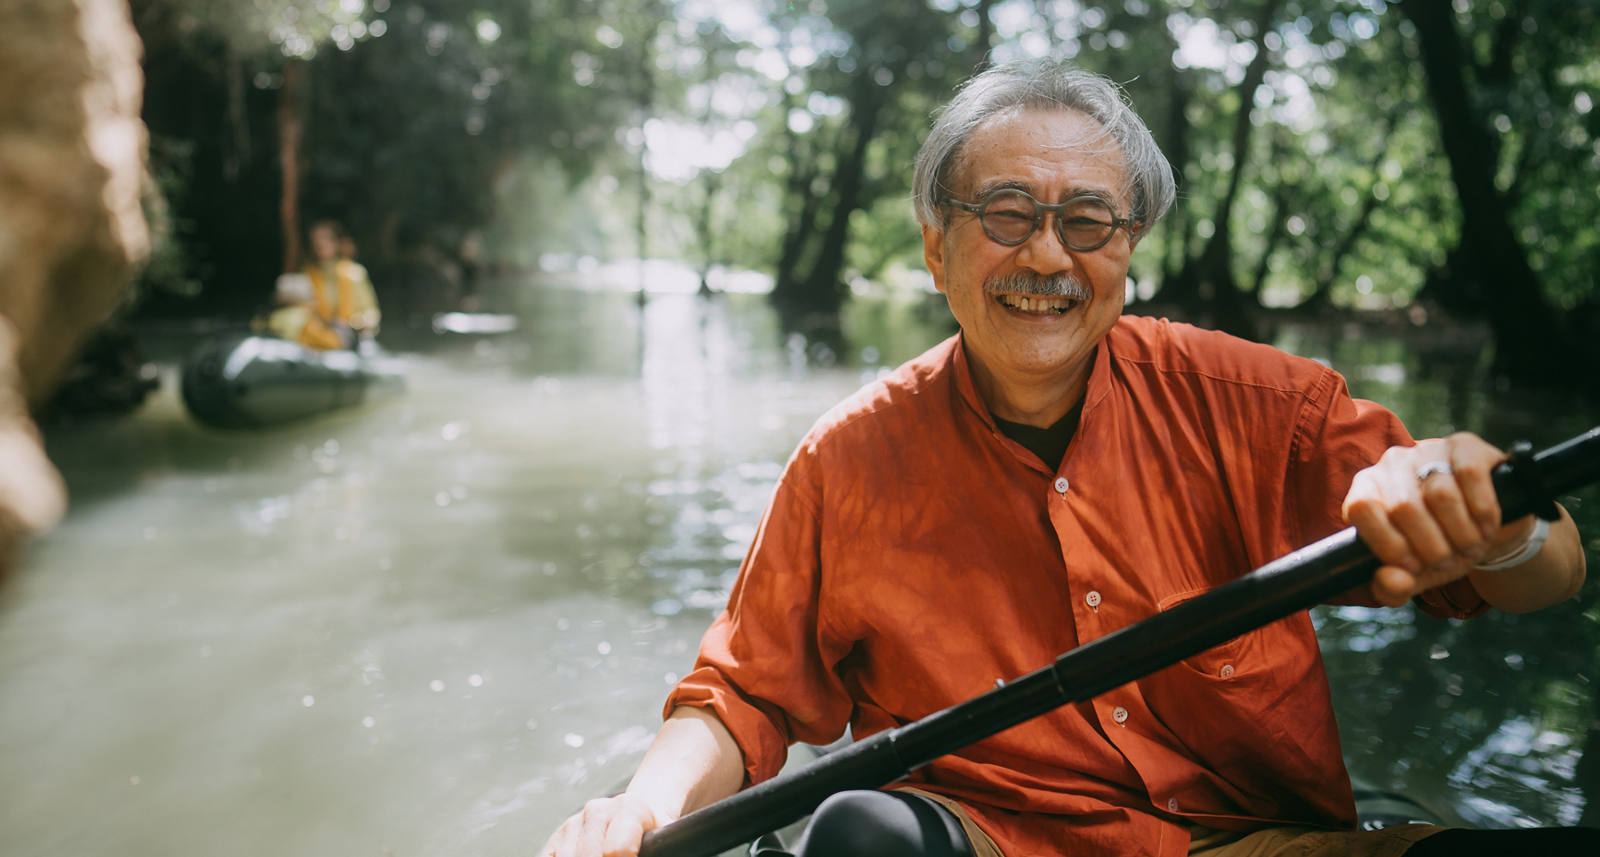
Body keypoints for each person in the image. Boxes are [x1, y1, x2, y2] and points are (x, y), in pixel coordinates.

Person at [541, 60, 1590, 857]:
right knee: (860, 831)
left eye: (1087, 220)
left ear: (1126, 253)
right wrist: (641, 805)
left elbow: (1544, 573)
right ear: (934, 245)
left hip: (1258, 840)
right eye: (1006, 214)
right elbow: (743, 694)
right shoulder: (847, 459)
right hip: (995, 837)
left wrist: (1494, 517)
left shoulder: (1255, 403)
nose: (1047, 254)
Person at [300, 219, 381, 349]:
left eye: (325, 238)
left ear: (337, 243)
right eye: (315, 239)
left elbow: (372, 316)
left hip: (349, 334)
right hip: (317, 334)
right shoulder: (306, 275)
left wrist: (352, 323)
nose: (319, 243)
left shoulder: (355, 273)